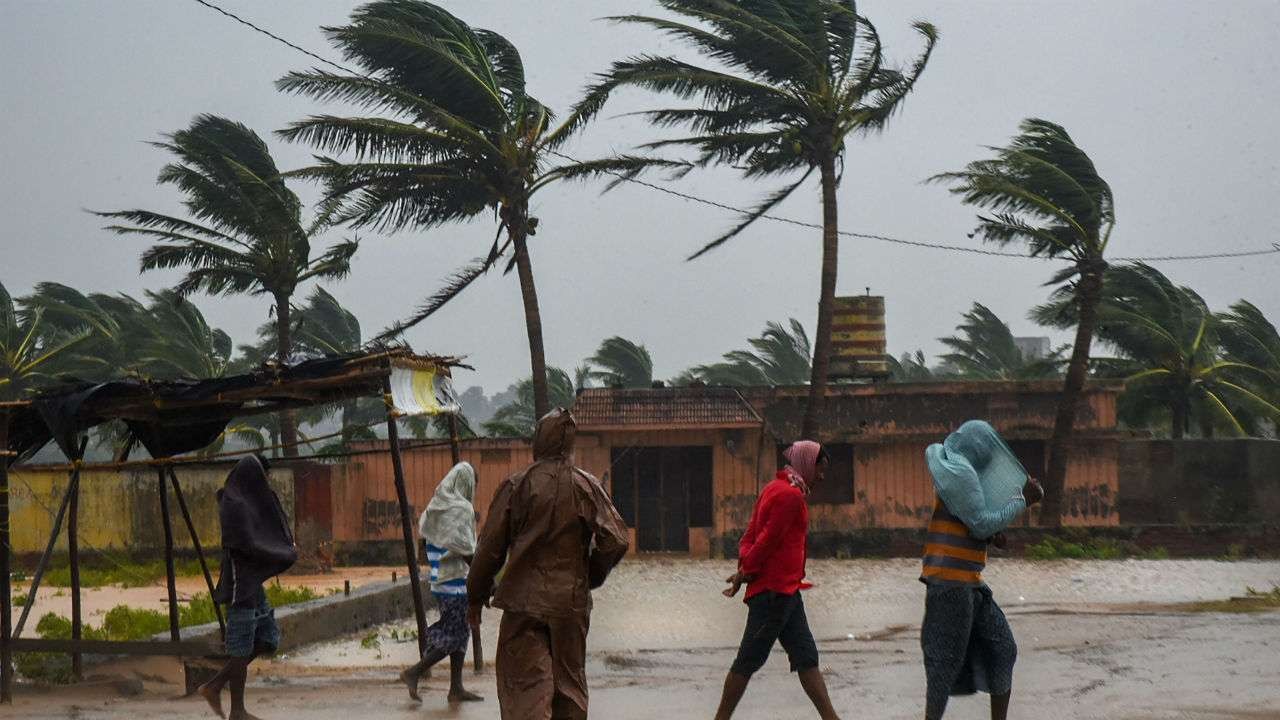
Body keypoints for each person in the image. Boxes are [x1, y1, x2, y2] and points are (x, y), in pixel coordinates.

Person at [467, 408, 629, 720]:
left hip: (523, 604)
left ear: (538, 442)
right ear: (570, 445)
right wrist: (590, 575)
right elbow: (617, 539)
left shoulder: (516, 485)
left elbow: (489, 550)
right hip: (570, 604)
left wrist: (475, 596)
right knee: (569, 685)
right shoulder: (587, 485)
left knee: (525, 686)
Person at [919, 420, 1045, 720]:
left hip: (969, 584)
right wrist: (1023, 500)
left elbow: (974, 523)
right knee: (943, 666)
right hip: (951, 585)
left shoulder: (960, 476)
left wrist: (990, 536)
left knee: (1003, 650)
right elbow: (980, 523)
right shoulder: (960, 475)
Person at [715, 440, 841, 720]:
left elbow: (749, 537)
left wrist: (743, 570)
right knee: (747, 660)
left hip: (788, 592)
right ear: (809, 464)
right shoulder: (791, 497)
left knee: (806, 658)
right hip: (774, 594)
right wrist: (746, 570)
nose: (821, 476)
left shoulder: (774, 488)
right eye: (820, 469)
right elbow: (766, 541)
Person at [199, 455, 297, 720]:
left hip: (252, 581)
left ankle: (215, 685)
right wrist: (279, 553)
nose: (266, 484)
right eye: (264, 478)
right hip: (240, 582)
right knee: (241, 645)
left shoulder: (247, 502)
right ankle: (237, 710)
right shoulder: (235, 504)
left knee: (267, 639)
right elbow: (245, 543)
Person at [399, 461, 484, 703]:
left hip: (440, 581)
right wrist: (483, 579)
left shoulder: (434, 508)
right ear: (466, 484)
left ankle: (456, 688)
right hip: (455, 583)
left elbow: (426, 544)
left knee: (461, 631)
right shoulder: (462, 509)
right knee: (455, 633)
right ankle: (413, 672)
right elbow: (467, 550)